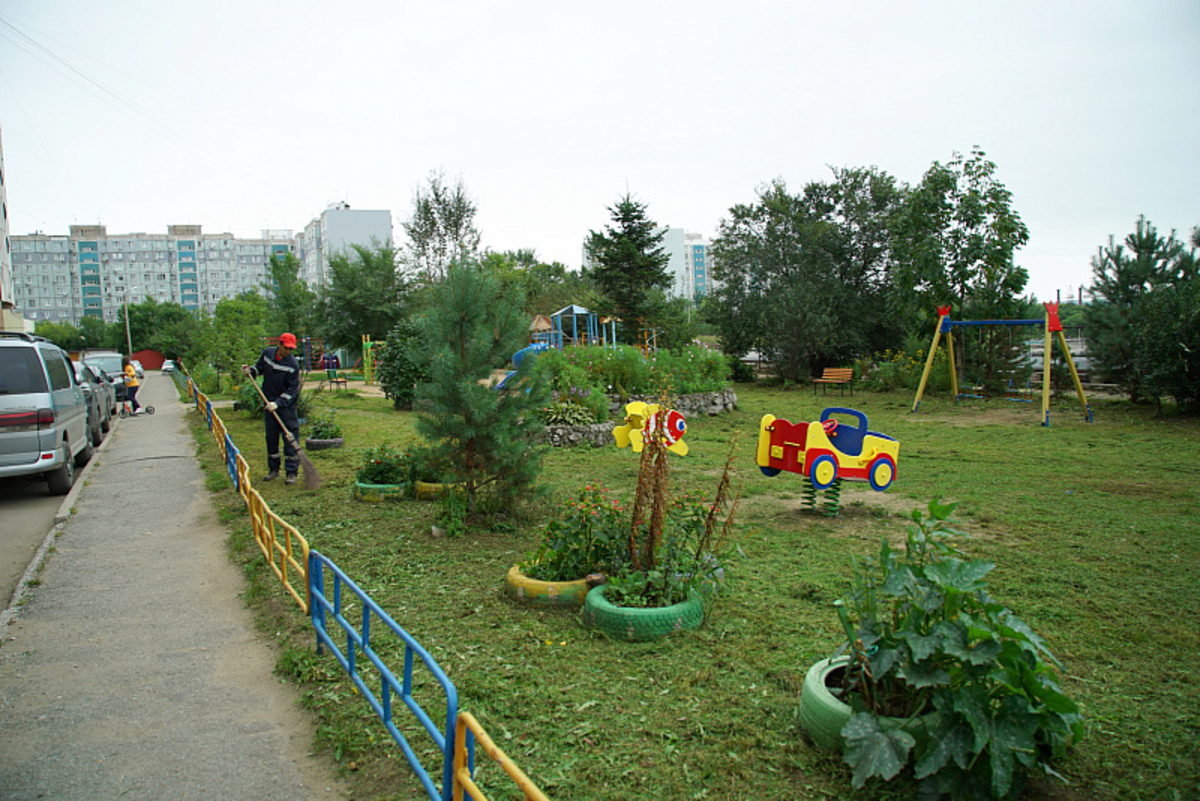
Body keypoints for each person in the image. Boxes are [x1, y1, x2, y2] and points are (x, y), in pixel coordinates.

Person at [242, 333, 302, 485]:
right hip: (268, 404)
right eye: (286, 348)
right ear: (279, 344)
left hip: (286, 408)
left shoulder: (293, 365)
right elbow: (260, 368)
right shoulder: (268, 354)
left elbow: (293, 391)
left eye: (291, 349)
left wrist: (278, 403)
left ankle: (291, 472)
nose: (288, 351)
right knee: (271, 438)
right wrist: (251, 371)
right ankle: (274, 469)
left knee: (290, 438)